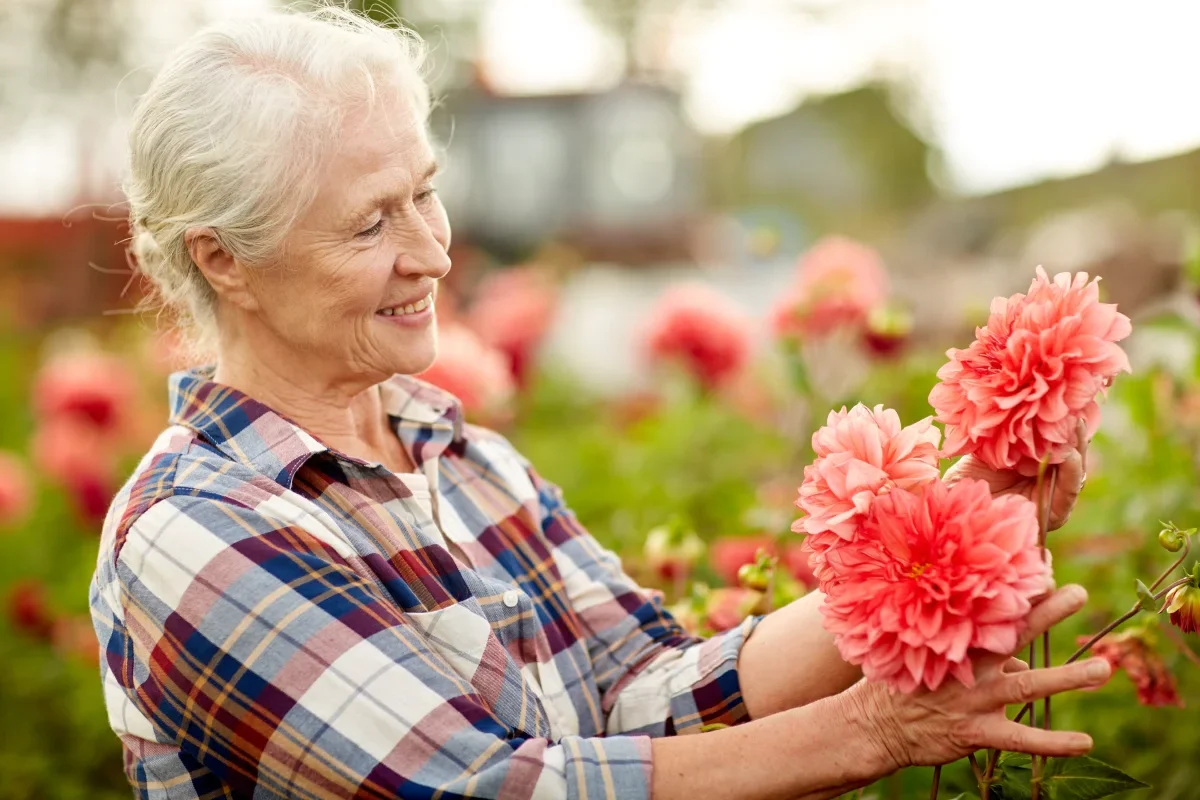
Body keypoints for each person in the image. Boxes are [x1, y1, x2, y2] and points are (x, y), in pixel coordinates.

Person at [89, 6, 1106, 799]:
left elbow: (652, 688)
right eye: (370, 224)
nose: (433, 251)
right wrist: (869, 730)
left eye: (425, 191)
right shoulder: (194, 528)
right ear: (227, 260)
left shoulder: (462, 457)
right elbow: (480, 784)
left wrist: (952, 534)